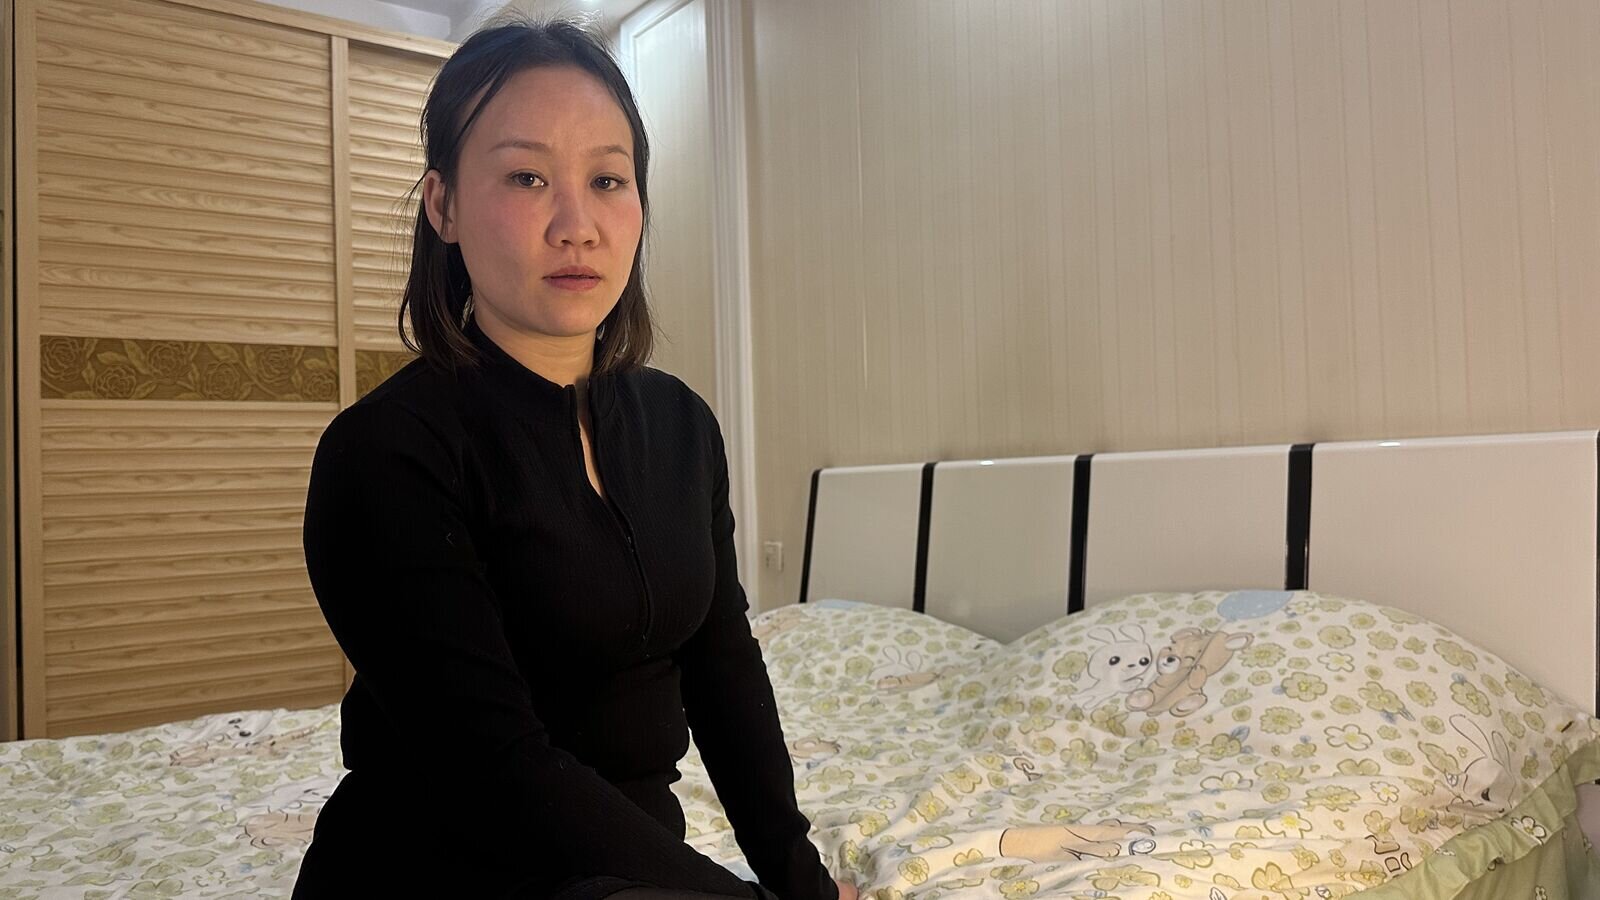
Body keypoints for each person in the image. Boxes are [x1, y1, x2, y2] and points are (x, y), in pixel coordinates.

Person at [291, 15, 858, 900]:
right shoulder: (385, 453)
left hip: (633, 871)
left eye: (607, 180)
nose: (577, 225)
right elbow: (494, 767)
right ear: (443, 205)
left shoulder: (681, 426)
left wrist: (799, 881)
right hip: (442, 868)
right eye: (527, 177)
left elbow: (723, 672)